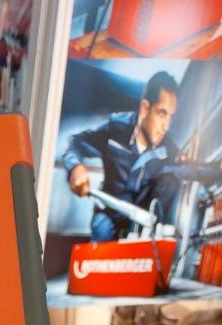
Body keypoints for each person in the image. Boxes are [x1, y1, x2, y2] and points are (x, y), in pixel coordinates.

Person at [63, 71, 182, 243]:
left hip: (141, 224)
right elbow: (75, 143)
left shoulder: (168, 150)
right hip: (108, 214)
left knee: (171, 181)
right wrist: (75, 167)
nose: (166, 126)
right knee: (102, 231)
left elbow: (195, 169)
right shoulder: (116, 128)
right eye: (162, 114)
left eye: (171, 117)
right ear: (145, 108)